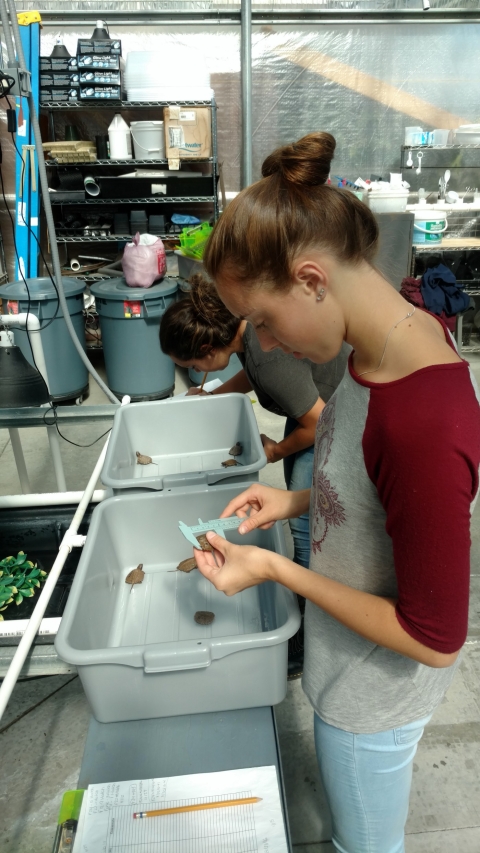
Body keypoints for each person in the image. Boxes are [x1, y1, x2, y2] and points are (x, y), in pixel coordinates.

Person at [189, 132, 480, 853]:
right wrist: (290, 503)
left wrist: (280, 567)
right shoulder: (372, 348)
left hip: (370, 700)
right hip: (343, 664)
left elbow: (435, 639)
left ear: (313, 279)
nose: (270, 345)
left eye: (263, 320)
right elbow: (359, 480)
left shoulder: (423, 421)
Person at [160, 277, 349, 677]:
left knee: (305, 533)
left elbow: (318, 422)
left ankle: (302, 640)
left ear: (209, 348)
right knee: (302, 513)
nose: (196, 374)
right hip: (313, 406)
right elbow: (255, 375)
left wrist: (276, 450)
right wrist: (216, 394)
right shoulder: (243, 329)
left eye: (194, 367)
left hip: (336, 420)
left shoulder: (269, 358)